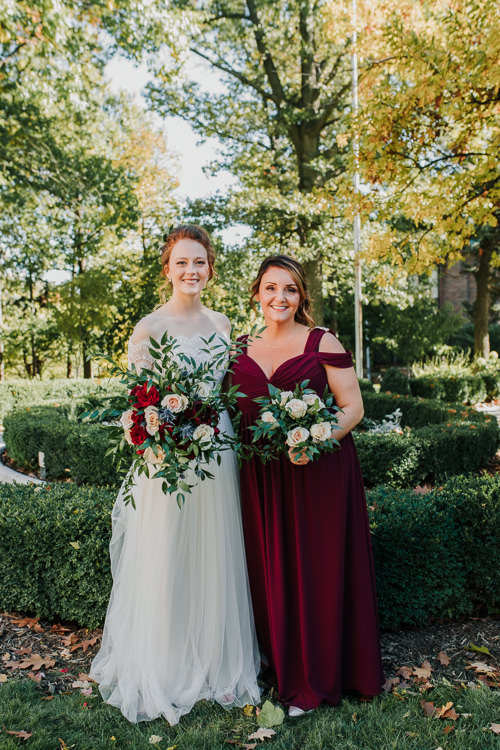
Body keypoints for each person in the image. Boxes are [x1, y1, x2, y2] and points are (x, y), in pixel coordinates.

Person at [90, 225, 261, 724]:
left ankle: (215, 660)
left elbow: (230, 388)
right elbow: (140, 403)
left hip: (216, 451)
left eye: (200, 262)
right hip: (167, 459)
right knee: (167, 552)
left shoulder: (225, 324)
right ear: (167, 269)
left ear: (210, 269)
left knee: (215, 551)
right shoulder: (149, 328)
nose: (191, 271)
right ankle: (163, 664)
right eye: (182, 262)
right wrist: (160, 439)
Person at [231, 255, 384, 717]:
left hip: (314, 473)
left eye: (291, 290)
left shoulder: (322, 341)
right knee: (268, 569)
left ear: (302, 297)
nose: (280, 298)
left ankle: (314, 680)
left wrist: (315, 438)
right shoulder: (238, 346)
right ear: (257, 292)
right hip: (259, 476)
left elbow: (352, 408)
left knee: (314, 569)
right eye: (272, 288)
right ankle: (277, 666)